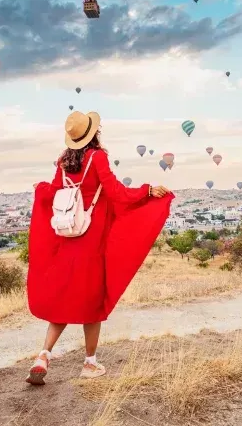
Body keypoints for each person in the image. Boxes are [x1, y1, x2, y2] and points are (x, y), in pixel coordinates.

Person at [26, 110, 173, 385]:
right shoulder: (98, 157)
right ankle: (90, 363)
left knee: (62, 301)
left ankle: (43, 356)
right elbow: (116, 192)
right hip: (91, 242)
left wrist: (41, 187)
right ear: (94, 133)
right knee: (92, 303)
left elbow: (55, 192)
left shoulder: (63, 161)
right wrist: (147, 191)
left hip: (67, 239)